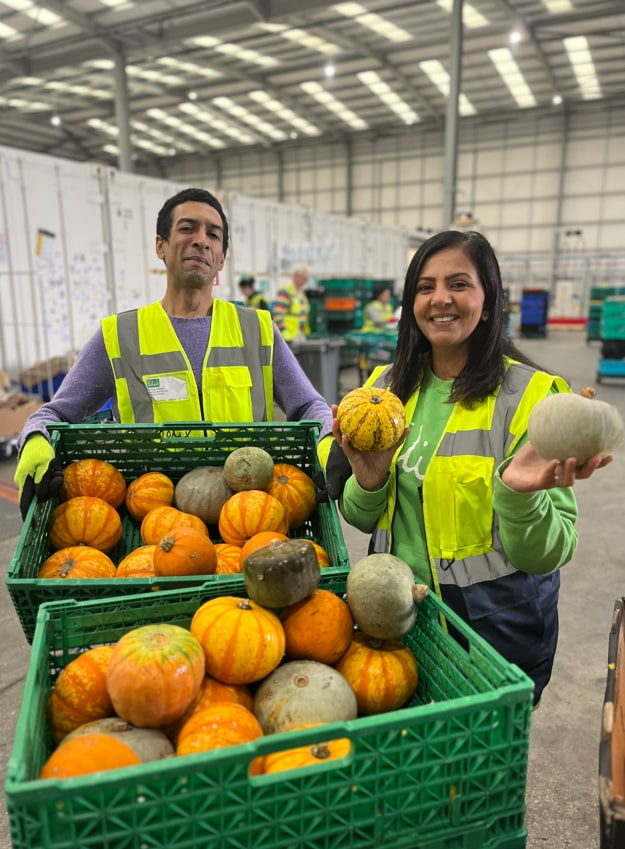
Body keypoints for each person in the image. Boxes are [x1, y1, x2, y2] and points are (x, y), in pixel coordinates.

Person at [327, 229, 611, 706]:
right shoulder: (383, 391)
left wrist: (518, 497)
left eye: (459, 284)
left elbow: (549, 553)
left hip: (490, 635)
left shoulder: (536, 398)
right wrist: (370, 480)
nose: (440, 299)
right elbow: (361, 516)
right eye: (425, 286)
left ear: (488, 298)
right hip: (398, 624)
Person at [14, 188, 333, 518]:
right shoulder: (120, 336)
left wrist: (326, 441)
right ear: (160, 246)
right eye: (187, 228)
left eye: (213, 234)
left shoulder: (257, 330)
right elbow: (55, 413)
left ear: (221, 257)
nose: (201, 240)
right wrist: (35, 438)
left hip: (249, 517)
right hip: (151, 524)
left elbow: (309, 404)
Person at [272, 263, 312, 343]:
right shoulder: (286, 291)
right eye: (304, 278)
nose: (305, 281)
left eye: (307, 279)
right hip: (288, 336)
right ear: (296, 276)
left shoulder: (300, 292)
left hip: (299, 334)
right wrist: (284, 333)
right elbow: (277, 314)